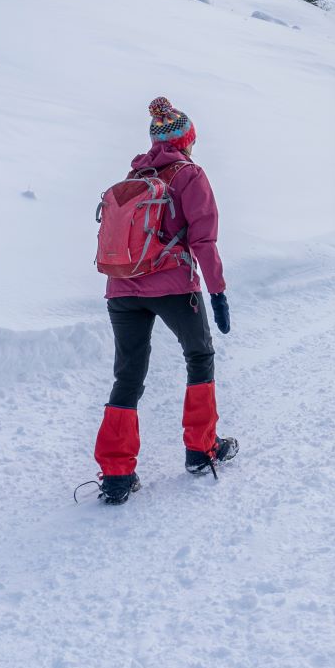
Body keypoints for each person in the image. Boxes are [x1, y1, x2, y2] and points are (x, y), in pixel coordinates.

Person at [92, 97, 236, 504]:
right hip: (173, 286)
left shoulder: (134, 174)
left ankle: (117, 474)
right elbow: (204, 240)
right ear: (187, 138)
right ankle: (201, 447)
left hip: (121, 288)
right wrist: (218, 291)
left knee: (128, 376)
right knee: (199, 357)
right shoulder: (190, 175)